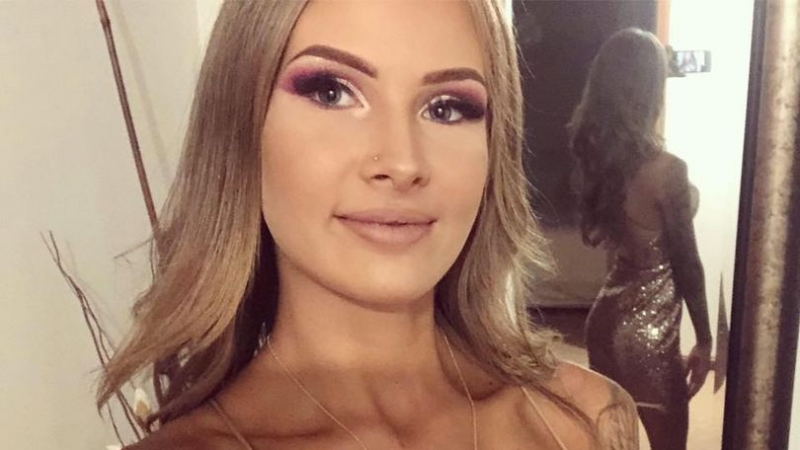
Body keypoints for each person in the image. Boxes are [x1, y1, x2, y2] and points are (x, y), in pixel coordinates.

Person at [98, 1, 640, 449]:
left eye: (446, 108)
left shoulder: (590, 422)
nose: (402, 163)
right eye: (331, 92)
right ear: (240, 126)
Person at [568, 28, 713, 450]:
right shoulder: (668, 171)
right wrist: (705, 339)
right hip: (648, 334)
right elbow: (687, 264)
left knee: (615, 441)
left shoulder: (602, 160)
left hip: (606, 319)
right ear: (650, 88)